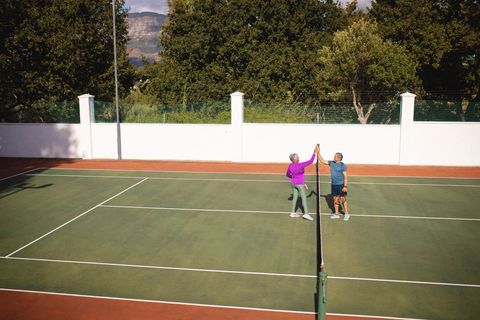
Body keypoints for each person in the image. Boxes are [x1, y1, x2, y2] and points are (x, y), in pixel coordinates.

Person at [286, 145, 319, 221]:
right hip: (300, 185)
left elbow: (287, 174)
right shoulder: (301, 165)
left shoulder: (290, 166)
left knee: (295, 198)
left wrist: (294, 178)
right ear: (294, 159)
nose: (298, 157)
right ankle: (306, 214)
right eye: (297, 157)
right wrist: (314, 153)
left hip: (293, 184)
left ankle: (293, 212)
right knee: (304, 198)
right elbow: (310, 161)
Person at [317, 149, 350, 221]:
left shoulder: (342, 165)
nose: (333, 157)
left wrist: (345, 186)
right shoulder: (331, 163)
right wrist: (318, 152)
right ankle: (336, 213)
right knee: (335, 199)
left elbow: (345, 177)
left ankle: (346, 213)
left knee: (343, 199)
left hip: (340, 185)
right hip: (334, 185)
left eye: (335, 156)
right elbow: (322, 161)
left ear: (338, 158)